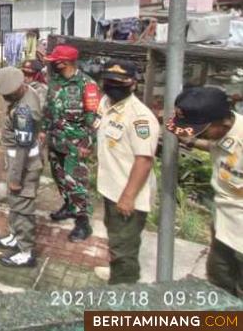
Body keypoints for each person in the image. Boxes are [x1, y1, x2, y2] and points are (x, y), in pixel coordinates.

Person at [168, 87, 242, 297]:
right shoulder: (227, 130)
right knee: (218, 282)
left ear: (223, 123)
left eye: (199, 130)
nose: (194, 133)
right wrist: (191, 140)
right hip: (224, 223)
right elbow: (218, 145)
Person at [94, 60, 159, 284]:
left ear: (133, 84)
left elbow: (144, 160)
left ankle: (123, 298)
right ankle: (116, 274)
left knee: (124, 251)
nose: (112, 86)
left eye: (119, 82)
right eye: (109, 81)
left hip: (127, 195)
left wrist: (128, 197)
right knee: (115, 239)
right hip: (111, 188)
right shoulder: (106, 103)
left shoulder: (140, 117)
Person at [40, 44, 99, 242]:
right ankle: (68, 206)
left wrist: (87, 144)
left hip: (76, 145)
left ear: (63, 62)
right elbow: (48, 110)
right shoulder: (55, 83)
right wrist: (42, 130)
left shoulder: (87, 85)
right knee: (60, 178)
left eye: (55, 61)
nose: (52, 64)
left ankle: (83, 222)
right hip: (56, 141)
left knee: (77, 183)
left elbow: (94, 119)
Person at [0, 67, 43, 268]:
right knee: (15, 204)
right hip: (18, 163)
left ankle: (26, 252)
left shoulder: (23, 111)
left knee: (23, 209)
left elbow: (22, 148)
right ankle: (15, 236)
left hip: (24, 167)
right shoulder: (29, 91)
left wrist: (15, 178)